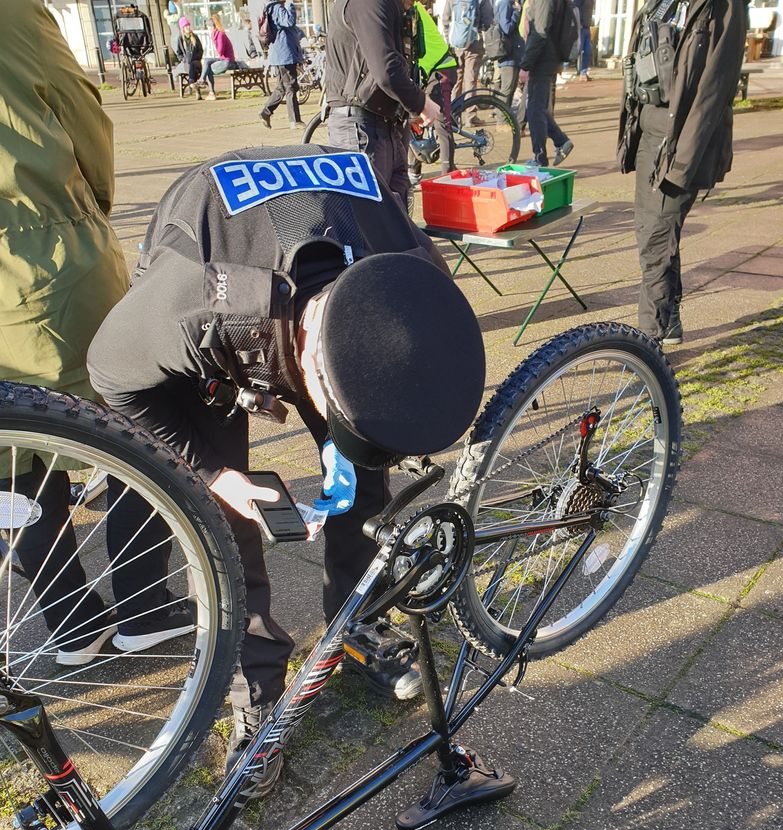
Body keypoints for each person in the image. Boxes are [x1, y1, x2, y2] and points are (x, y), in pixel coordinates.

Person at [87, 145, 485, 788]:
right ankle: (258, 698)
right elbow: (111, 371)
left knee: (364, 488)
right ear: (298, 362)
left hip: (334, 269)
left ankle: (356, 626)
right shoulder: (198, 306)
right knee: (231, 524)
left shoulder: (410, 268)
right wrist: (210, 473)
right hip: (216, 300)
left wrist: (360, 443)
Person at [0, 0, 193, 665]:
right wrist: (87, 212)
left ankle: (72, 623)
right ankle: (146, 603)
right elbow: (84, 118)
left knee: (13, 458)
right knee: (134, 417)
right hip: (41, 256)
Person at [618, 0, 746, 346]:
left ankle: (650, 340)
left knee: (657, 237)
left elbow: (714, 91)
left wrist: (683, 161)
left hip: (681, 140)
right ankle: (668, 320)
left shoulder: (724, 7)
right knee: (652, 231)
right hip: (649, 131)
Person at [323, 0, 441, 209]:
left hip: (386, 122)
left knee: (397, 220)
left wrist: (406, 106)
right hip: (360, 126)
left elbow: (394, 63)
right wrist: (421, 103)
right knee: (370, 220)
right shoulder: (369, 3)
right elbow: (386, 69)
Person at [519, 0, 578, 166]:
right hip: (546, 57)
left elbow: (540, 31)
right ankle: (561, 141)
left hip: (542, 59)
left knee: (535, 110)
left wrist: (526, 65)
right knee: (538, 108)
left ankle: (540, 157)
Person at [410, 0, 458, 183]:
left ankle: (448, 174)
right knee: (414, 114)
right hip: (426, 70)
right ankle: (414, 171)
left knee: (440, 120)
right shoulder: (407, 7)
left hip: (441, 68)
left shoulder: (412, 8)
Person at [260, 0, 303, 129]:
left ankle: (265, 113)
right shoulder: (278, 8)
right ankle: (294, 120)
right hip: (285, 54)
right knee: (290, 86)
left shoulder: (272, 8)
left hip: (279, 54)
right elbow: (289, 22)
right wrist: (290, 4)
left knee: (282, 87)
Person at [197, 13, 239, 99]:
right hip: (224, 59)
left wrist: (214, 40)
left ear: (212, 27)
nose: (208, 30)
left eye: (208, 27)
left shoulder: (220, 35)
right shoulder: (218, 34)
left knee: (207, 66)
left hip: (228, 61)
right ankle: (203, 81)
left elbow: (220, 51)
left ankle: (210, 92)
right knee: (207, 61)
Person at [492, 0, 525, 106]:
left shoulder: (512, 3)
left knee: (511, 89)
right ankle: (501, 119)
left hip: (515, 53)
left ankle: (506, 118)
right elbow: (506, 28)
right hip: (508, 55)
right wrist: (517, 12)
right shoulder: (505, 3)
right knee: (507, 89)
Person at [175, 16, 205, 97]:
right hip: (186, 63)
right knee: (190, 65)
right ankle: (196, 90)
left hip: (196, 62)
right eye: (185, 26)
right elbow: (179, 53)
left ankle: (191, 82)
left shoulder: (194, 37)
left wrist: (197, 57)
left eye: (188, 25)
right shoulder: (180, 39)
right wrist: (184, 59)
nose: (188, 27)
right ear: (182, 28)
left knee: (193, 64)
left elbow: (201, 50)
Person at [573, 0, 593, 79]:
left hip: (587, 27)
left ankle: (583, 72)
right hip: (580, 27)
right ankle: (563, 68)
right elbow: (575, 8)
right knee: (577, 50)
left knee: (588, 51)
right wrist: (578, 23)